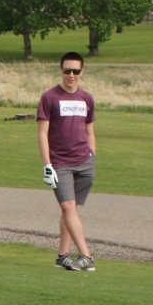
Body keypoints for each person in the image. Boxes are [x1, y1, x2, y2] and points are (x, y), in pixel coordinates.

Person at [36, 52, 96, 271]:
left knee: (71, 210)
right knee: (67, 205)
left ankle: (62, 255)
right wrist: (47, 164)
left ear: (82, 72)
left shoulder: (86, 98)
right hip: (60, 162)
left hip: (84, 161)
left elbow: (90, 130)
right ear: (60, 70)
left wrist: (92, 155)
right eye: (67, 70)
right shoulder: (49, 97)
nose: (71, 75)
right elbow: (42, 133)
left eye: (75, 71)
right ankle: (86, 255)